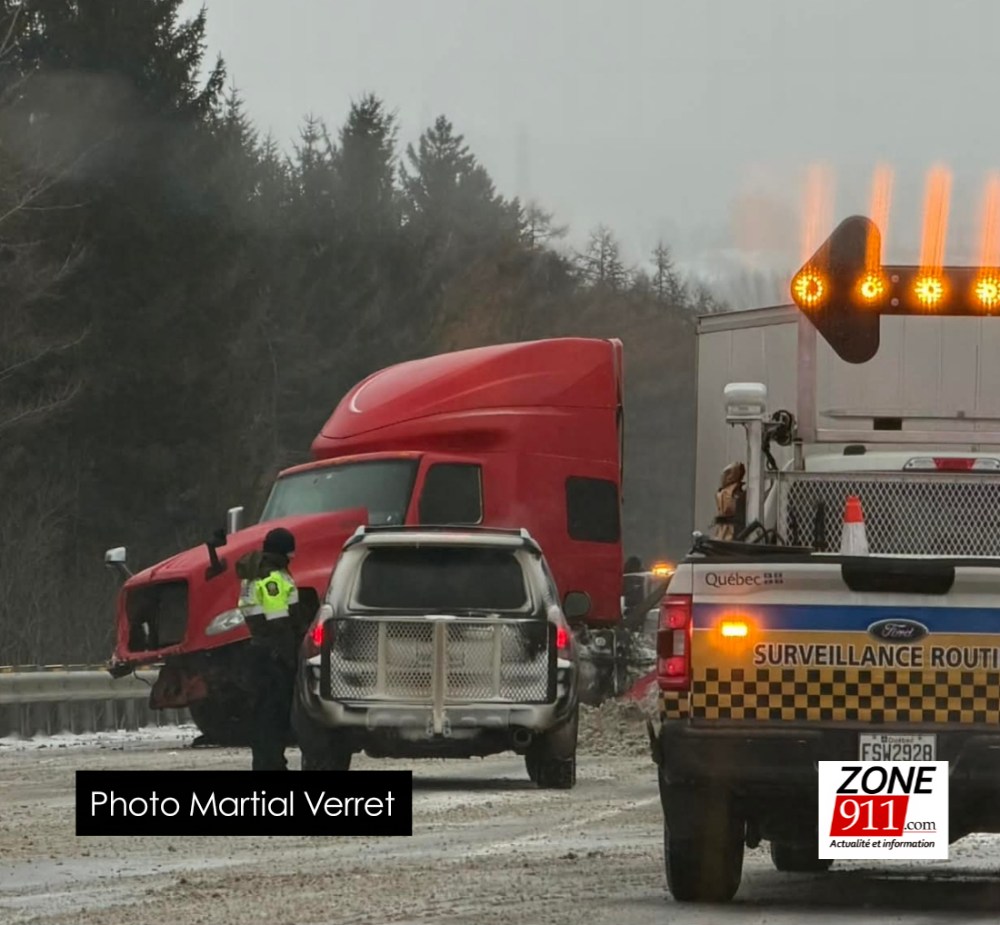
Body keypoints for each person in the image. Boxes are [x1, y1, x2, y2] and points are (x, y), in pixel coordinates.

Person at [236, 526, 301, 771]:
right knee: (274, 714)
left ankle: (264, 764)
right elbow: (279, 622)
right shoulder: (272, 578)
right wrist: (289, 658)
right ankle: (273, 765)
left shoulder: (254, 574)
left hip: (258, 651)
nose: (291, 558)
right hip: (273, 655)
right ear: (282, 552)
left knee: (261, 714)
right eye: (290, 553)